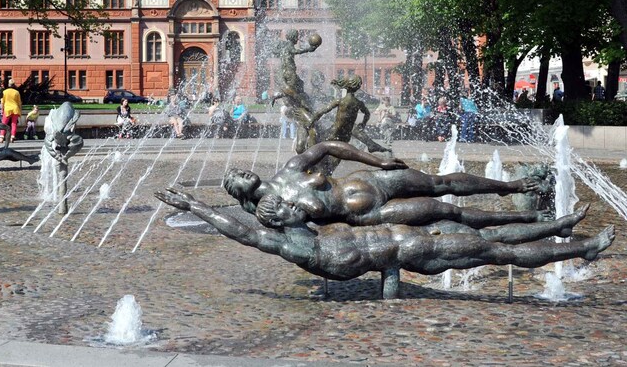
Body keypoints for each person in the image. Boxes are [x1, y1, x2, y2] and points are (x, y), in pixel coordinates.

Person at [156, 188, 613, 298]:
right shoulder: (293, 246)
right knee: (496, 249)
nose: (303, 207)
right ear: (284, 218)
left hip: (400, 247)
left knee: (490, 238)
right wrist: (196, 206)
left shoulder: (311, 237)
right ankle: (580, 248)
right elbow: (237, 230)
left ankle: (561, 227)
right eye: (293, 207)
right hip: (410, 251)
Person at [223, 140, 552, 229]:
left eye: (238, 170)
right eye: (235, 179)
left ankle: (512, 187)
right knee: (446, 211)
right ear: (240, 193)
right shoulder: (272, 213)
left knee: (440, 182)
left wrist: (375, 160)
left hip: (372, 180)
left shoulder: (289, 171)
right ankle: (525, 220)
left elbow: (326, 146)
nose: (242, 173)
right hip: (370, 214)